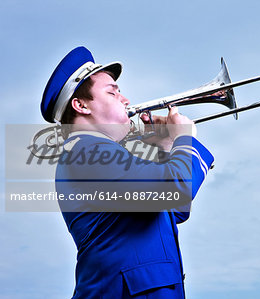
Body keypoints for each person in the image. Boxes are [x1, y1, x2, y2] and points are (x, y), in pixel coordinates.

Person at [40, 46, 214, 298]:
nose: (126, 100)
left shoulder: (100, 155)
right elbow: (176, 191)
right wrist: (183, 139)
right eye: (113, 93)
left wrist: (167, 146)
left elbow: (174, 211)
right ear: (81, 105)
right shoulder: (86, 151)